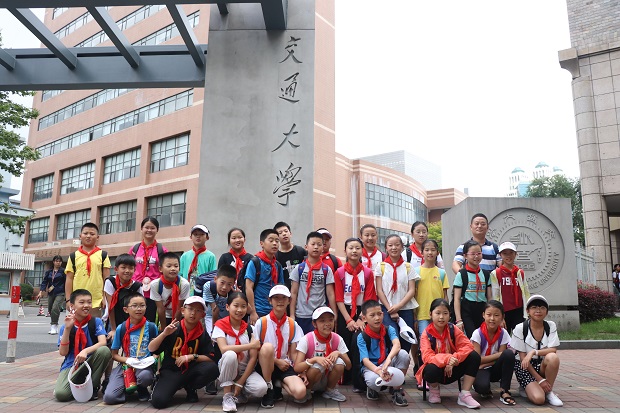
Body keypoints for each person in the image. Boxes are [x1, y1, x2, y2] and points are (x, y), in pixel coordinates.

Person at [148, 296, 219, 408]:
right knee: (158, 402)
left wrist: (191, 356)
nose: (193, 313)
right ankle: (165, 383)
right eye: (190, 309)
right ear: (182, 310)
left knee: (212, 369)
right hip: (171, 370)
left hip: (190, 370)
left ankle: (191, 387)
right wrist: (164, 334)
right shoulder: (173, 328)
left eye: (198, 310)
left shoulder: (202, 333)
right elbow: (151, 349)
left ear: (203, 315)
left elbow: (211, 357)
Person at [415, 298, 481, 408]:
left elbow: (467, 346)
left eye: (445, 313)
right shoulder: (426, 334)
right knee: (430, 368)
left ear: (449, 315)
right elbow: (427, 357)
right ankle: (434, 390)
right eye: (438, 313)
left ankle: (464, 394)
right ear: (430, 314)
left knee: (474, 356)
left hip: (453, 368)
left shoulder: (452, 328)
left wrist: (454, 358)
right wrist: (447, 359)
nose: (441, 317)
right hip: (437, 371)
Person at [213, 292, 267, 412]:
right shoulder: (220, 326)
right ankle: (227, 396)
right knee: (230, 354)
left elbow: (253, 358)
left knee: (261, 389)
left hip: (244, 371)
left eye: (243, 306)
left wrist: (240, 382)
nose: (239, 310)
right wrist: (250, 345)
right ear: (228, 307)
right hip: (227, 367)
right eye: (236, 306)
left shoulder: (250, 329)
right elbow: (224, 349)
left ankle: (240, 393)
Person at [54, 289, 112, 402]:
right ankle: (80, 381)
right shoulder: (66, 326)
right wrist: (67, 329)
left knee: (104, 351)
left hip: (91, 361)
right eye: (81, 302)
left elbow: (103, 342)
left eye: (89, 302)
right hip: (72, 364)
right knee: (61, 395)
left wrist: (85, 351)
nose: (86, 305)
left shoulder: (96, 322)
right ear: (72, 306)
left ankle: (93, 385)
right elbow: (63, 352)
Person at [334, 237, 376, 391]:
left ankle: (359, 382)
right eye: (351, 248)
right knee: (344, 344)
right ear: (345, 250)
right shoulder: (339, 272)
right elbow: (339, 298)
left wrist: (360, 319)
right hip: (344, 312)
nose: (354, 251)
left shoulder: (368, 273)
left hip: (362, 312)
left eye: (357, 248)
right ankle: (345, 378)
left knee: (358, 343)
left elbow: (369, 298)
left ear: (362, 251)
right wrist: (348, 320)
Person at [254, 285, 306, 407]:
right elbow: (256, 351)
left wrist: (302, 370)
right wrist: (276, 361)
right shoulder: (261, 322)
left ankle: (278, 382)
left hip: (284, 365)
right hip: (265, 364)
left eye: (284, 298)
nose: (280, 301)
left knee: (300, 393)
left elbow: (293, 353)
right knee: (267, 347)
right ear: (270, 301)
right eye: (276, 298)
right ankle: (269, 388)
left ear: (289, 301)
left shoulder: (292, 324)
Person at [103, 293, 158, 404]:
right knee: (109, 398)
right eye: (134, 306)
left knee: (145, 377)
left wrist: (153, 359)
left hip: (144, 365)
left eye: (142, 305)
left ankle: (142, 388)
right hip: (126, 365)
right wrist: (128, 360)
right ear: (126, 309)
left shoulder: (151, 327)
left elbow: (156, 351)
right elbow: (114, 355)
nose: (139, 309)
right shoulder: (121, 328)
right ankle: (128, 387)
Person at [509, 295, 563, 407]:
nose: (538, 311)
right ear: (527, 311)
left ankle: (549, 392)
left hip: (541, 364)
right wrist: (540, 380)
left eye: (542, 308)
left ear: (546, 312)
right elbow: (523, 359)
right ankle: (529, 387)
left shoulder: (550, 326)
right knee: (539, 399)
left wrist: (534, 352)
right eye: (534, 307)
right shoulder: (520, 328)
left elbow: (553, 349)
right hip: (524, 367)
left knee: (553, 357)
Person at [357, 299, 409, 406]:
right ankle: (372, 388)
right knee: (373, 381)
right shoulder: (362, 336)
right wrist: (379, 371)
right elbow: (365, 361)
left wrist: (388, 359)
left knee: (403, 354)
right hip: (371, 367)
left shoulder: (389, 329)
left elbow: (397, 345)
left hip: (386, 362)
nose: (377, 318)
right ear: (364, 318)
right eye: (372, 315)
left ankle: (396, 390)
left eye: (379, 314)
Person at [293, 307, 351, 403]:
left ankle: (329, 390)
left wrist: (339, 353)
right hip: (310, 379)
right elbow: (297, 367)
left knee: (340, 362)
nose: (327, 324)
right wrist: (314, 360)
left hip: (328, 378)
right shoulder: (307, 339)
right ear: (314, 324)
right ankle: (307, 391)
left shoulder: (337, 339)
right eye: (322, 321)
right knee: (318, 364)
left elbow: (348, 366)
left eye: (330, 320)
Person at [375, 234, 419, 355]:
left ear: (402, 247)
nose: (394, 248)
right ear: (386, 248)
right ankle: (390, 364)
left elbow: (411, 290)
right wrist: (390, 308)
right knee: (391, 338)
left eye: (397, 245)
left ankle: (403, 365)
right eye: (390, 245)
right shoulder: (381, 267)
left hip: (406, 309)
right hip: (386, 309)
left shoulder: (408, 267)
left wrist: (398, 306)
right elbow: (379, 290)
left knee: (406, 340)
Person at [290, 231, 337, 334]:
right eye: (313, 244)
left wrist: (334, 313)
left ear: (323, 248)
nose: (316, 247)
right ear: (306, 247)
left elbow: (330, 294)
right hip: (301, 315)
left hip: (320, 315)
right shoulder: (299, 268)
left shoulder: (326, 270)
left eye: (319, 244)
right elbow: (293, 292)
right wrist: (292, 314)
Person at [470, 300, 515, 405]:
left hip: (493, 368)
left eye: (496, 315)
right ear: (483, 315)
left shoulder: (503, 333)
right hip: (480, 369)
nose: (492, 319)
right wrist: (499, 355)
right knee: (482, 388)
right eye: (489, 315)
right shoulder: (477, 334)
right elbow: (478, 360)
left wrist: (486, 363)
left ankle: (504, 391)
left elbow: (504, 357)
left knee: (509, 354)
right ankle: (476, 384)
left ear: (502, 317)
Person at [65, 223, 111, 318]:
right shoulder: (73, 256)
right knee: (77, 325)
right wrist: (68, 300)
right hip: (77, 301)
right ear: (80, 236)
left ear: (97, 237)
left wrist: (104, 297)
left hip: (96, 301)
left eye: (92, 234)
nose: (88, 236)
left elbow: (106, 279)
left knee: (95, 325)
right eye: (85, 233)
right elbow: (69, 279)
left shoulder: (103, 255)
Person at [130, 216, 168, 322]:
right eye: (146, 227)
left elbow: (166, 270)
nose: (149, 230)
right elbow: (128, 267)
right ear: (141, 229)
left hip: (154, 292)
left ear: (157, 230)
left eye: (152, 228)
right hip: (136, 290)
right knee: (134, 320)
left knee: (150, 321)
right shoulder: (135, 249)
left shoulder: (162, 250)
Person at [453, 240, 492, 338]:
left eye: (479, 253)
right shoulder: (461, 274)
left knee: (484, 337)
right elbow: (456, 298)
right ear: (465, 256)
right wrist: (459, 320)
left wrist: (490, 314)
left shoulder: (486, 274)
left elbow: (489, 298)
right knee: (473, 336)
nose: (476, 256)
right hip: (467, 310)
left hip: (482, 310)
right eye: (473, 254)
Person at [245, 229, 285, 324]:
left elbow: (281, 288)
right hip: (259, 310)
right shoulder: (255, 262)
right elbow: (248, 287)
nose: (274, 243)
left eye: (277, 241)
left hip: (274, 310)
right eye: (271, 240)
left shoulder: (277, 265)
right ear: (262, 243)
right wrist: (253, 312)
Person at [490, 242, 531, 333]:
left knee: (520, 335)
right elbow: (496, 296)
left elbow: (526, 292)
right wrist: (499, 316)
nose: (508, 256)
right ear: (500, 255)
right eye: (505, 253)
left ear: (515, 254)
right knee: (504, 336)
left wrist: (529, 309)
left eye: (511, 253)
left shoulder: (520, 273)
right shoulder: (496, 273)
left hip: (519, 310)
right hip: (504, 311)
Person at [104, 254, 143, 343]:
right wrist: (113, 329)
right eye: (123, 267)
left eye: (130, 268)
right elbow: (111, 307)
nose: (127, 271)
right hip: (113, 319)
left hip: (132, 319)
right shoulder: (110, 282)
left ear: (135, 270)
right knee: (112, 341)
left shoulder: (137, 286)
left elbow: (140, 307)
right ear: (116, 269)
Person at [414, 239, 449, 337]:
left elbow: (445, 296)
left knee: (439, 339)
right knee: (425, 339)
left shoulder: (441, 273)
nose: (430, 252)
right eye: (427, 250)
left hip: (439, 314)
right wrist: (414, 316)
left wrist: (446, 312)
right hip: (422, 314)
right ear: (422, 253)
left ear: (437, 252)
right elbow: (413, 295)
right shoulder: (416, 272)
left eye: (433, 250)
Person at [150, 252, 191, 330]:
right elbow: (160, 309)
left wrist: (174, 327)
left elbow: (179, 308)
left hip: (179, 316)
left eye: (176, 266)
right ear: (160, 269)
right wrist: (164, 329)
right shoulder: (155, 285)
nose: (173, 269)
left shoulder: (184, 284)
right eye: (169, 266)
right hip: (163, 316)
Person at [180, 224, 217, 294]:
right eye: (195, 234)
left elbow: (212, 276)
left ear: (207, 237)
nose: (198, 236)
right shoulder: (185, 256)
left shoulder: (211, 256)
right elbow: (180, 275)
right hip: (185, 293)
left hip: (203, 293)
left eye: (202, 234)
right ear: (191, 237)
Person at [203, 265, 237, 334]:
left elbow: (247, 308)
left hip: (227, 318)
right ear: (215, 279)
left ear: (234, 283)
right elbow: (215, 310)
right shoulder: (209, 287)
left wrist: (238, 295)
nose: (224, 287)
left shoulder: (234, 291)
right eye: (222, 283)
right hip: (211, 316)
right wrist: (213, 332)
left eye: (229, 284)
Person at [38, 255, 66, 335]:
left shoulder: (63, 271)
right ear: (53, 262)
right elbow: (45, 282)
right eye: (57, 261)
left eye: (60, 261)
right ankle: (55, 324)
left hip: (61, 292)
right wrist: (41, 291)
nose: (58, 263)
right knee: (50, 309)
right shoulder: (49, 272)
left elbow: (67, 282)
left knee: (55, 308)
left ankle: (53, 325)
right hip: (51, 292)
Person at [274, 221, 307, 289]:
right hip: (284, 291)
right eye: (280, 233)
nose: (284, 234)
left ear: (290, 234)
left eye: (286, 231)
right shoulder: (275, 256)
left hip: (301, 290)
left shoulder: (300, 251)